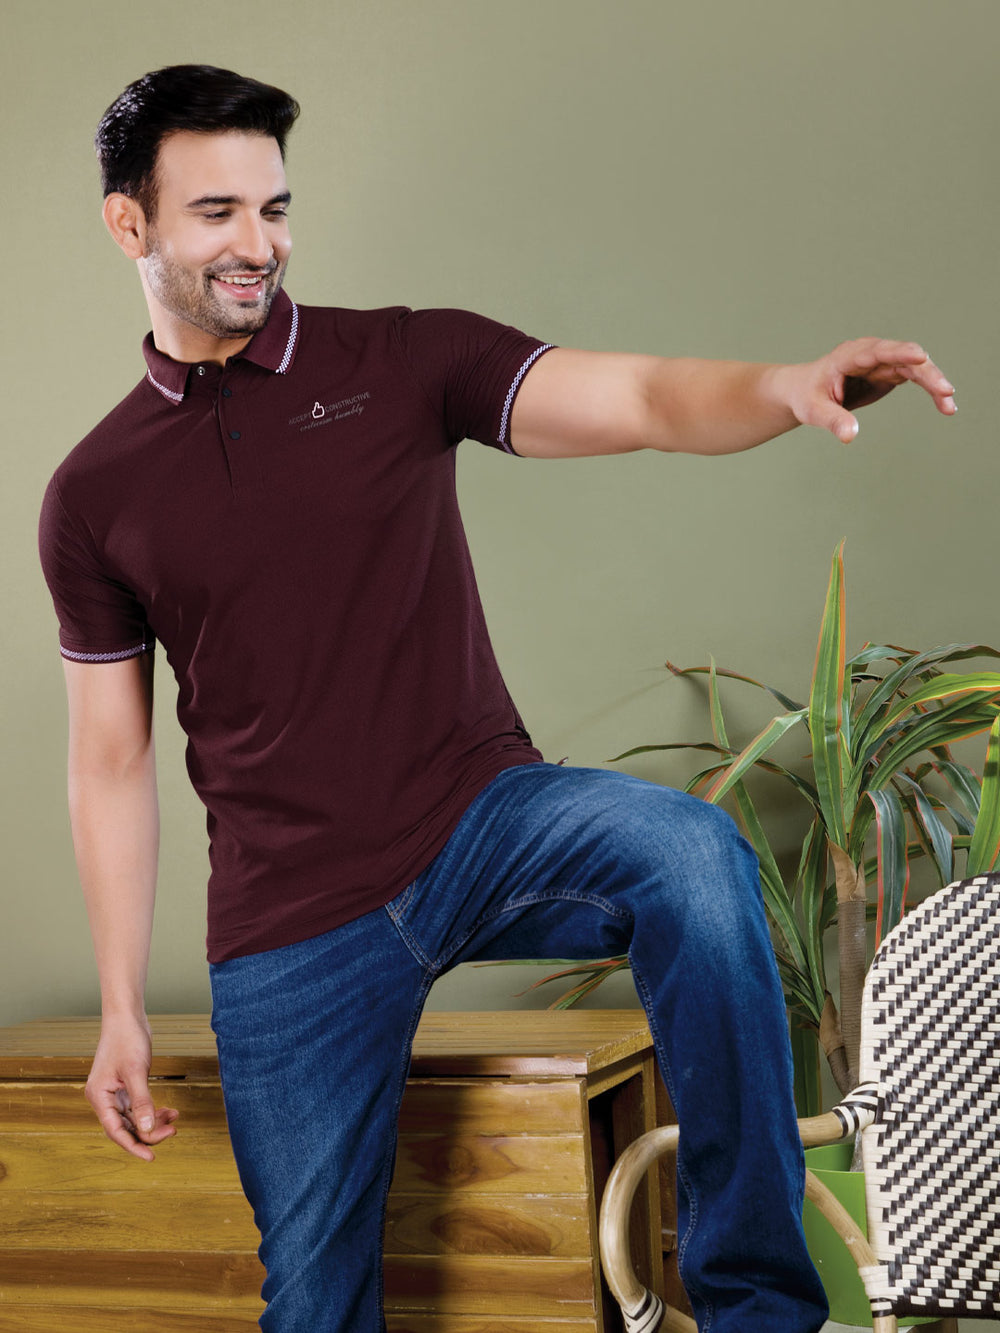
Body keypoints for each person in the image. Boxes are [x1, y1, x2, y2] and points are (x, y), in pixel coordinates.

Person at [38, 64, 956, 1333]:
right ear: (128, 223)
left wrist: (784, 389)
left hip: (480, 821)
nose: (261, 244)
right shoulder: (93, 492)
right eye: (217, 214)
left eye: (275, 208)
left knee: (691, 855)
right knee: (309, 1307)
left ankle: (755, 1306)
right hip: (289, 917)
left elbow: (634, 397)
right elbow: (109, 760)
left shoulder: (403, 357)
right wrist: (124, 1012)